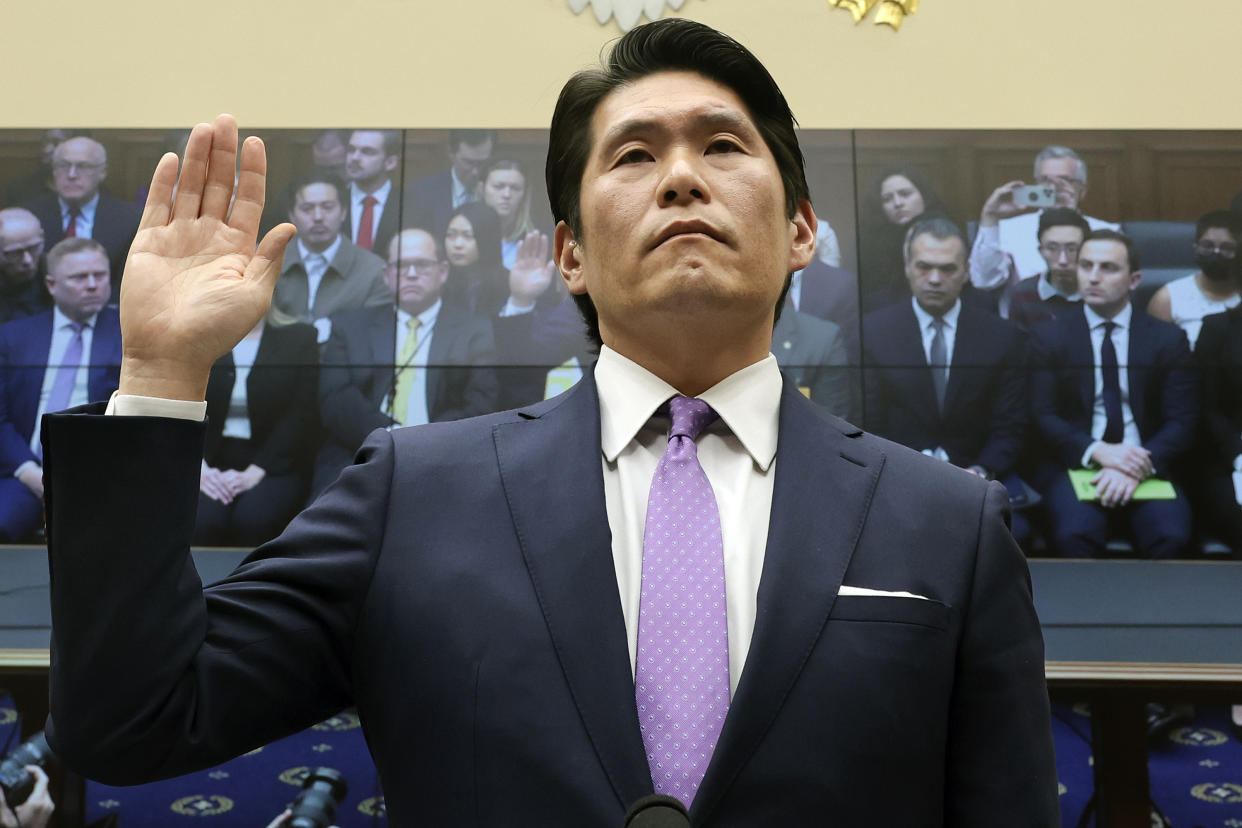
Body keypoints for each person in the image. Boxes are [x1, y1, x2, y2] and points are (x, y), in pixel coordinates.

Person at [41, 20, 1057, 827]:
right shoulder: (414, 493)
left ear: (800, 232)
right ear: (567, 254)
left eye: (722, 145)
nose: (681, 176)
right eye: (633, 155)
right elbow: (135, 722)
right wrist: (163, 369)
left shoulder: (948, 523)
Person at [1029, 230, 1196, 558]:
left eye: (1108, 268)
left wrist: (1133, 464)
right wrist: (1097, 451)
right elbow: (1042, 414)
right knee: (1073, 533)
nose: (1093, 277)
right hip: (1077, 463)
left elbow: (1183, 420)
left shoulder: (1167, 339)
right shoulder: (1048, 337)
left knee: (1170, 535)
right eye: (1086, 265)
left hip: (1147, 461)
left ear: (1134, 280)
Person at [861, 218, 1027, 529]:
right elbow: (868, 422)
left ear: (966, 272)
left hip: (978, 479)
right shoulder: (871, 333)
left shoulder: (1002, 337)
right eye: (924, 267)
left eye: (948, 269)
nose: (934, 279)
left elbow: (1010, 425)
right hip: (897, 478)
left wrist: (981, 471)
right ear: (908, 267)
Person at [313, 227, 499, 498]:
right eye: (401, 266)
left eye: (422, 265)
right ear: (387, 275)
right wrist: (388, 435)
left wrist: (421, 441)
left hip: (444, 452)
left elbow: (481, 402)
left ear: (443, 272)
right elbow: (334, 397)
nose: (411, 274)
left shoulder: (474, 329)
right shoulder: (350, 326)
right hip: (360, 447)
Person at [0, 238, 121, 541]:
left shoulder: (128, 334)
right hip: (24, 468)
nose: (92, 285)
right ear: (52, 285)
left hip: (102, 471)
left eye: (100, 275)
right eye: (79, 277)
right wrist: (28, 471)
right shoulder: (13, 337)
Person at [196, 308, 320, 546]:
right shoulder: (198, 334)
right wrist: (199, 467)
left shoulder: (300, 338)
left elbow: (301, 413)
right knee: (204, 521)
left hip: (274, 460)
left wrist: (257, 470)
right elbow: (180, 401)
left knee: (254, 521)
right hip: (206, 459)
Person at [969, 145, 1118, 315]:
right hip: (1025, 323)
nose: (1055, 188)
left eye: (1065, 180)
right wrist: (990, 217)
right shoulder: (1010, 229)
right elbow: (984, 281)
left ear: (1082, 190)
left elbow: (1111, 285)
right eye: (1046, 181)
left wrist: (1069, 218)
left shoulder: (1108, 231)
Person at [271, 175, 391, 343]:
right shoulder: (271, 264)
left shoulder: (373, 271)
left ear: (343, 212)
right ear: (292, 215)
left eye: (327, 207)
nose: (318, 216)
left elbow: (374, 335)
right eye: (307, 208)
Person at [22, 136, 141, 289]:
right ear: (54, 171)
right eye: (63, 166)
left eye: (83, 166)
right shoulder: (30, 216)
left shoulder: (130, 220)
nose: (71, 174)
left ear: (102, 172)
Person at [1146, 209, 1242, 349]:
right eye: (1207, 246)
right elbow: (1155, 355)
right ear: (1196, 248)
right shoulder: (1168, 298)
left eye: (1227, 248)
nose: (1216, 253)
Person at [857, 166, 949, 311]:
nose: (898, 203)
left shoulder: (947, 233)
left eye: (905, 194)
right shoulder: (870, 245)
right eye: (887, 199)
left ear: (923, 196)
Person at [1006, 207, 1090, 332]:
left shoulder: (1100, 289)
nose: (1063, 260)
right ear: (1041, 251)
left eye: (1072, 249)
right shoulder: (1023, 294)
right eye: (1052, 248)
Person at [405, 129, 497, 236]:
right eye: (468, 162)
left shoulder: (502, 191)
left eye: (482, 163)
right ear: (451, 153)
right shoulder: (422, 192)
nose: (475, 172)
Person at [342, 130, 401, 255]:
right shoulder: (333, 200)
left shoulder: (410, 205)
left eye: (367, 152)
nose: (354, 158)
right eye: (351, 150)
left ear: (390, 163)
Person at [482, 159, 541, 269]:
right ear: (482, 189)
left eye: (515, 188)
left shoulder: (537, 239)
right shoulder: (467, 235)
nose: (507, 195)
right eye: (498, 187)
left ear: (524, 194)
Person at [0, 208, 50, 323]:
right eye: (14, 253)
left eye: (34, 248)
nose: (27, 260)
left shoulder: (58, 275)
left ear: (42, 237)